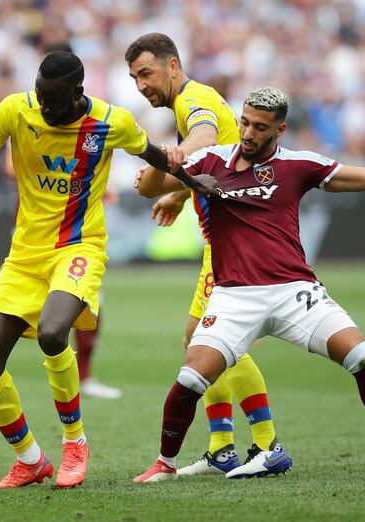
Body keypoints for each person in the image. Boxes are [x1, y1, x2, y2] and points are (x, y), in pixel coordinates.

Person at [0, 51, 217, 489]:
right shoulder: (14, 111)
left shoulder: (110, 121)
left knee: (53, 332)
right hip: (24, 255)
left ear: (77, 93)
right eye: (40, 97)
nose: (44, 107)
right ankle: (30, 460)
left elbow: (156, 156)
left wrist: (194, 185)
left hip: (79, 247)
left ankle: (74, 444)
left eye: (53, 101)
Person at [134, 86, 365, 482]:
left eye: (259, 127)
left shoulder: (299, 165)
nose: (247, 133)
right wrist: (169, 160)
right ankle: (165, 464)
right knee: (190, 378)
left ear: (279, 130)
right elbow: (147, 187)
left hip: (294, 291)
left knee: (363, 357)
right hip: (233, 295)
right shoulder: (210, 161)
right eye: (244, 122)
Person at [126, 33, 290, 477]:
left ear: (173, 66)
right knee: (198, 339)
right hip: (227, 239)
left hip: (232, 244)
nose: (141, 85)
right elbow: (221, 155)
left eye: (147, 73)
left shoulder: (192, 100)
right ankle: (222, 448)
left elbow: (202, 136)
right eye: (134, 78)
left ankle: (266, 443)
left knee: (214, 342)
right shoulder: (199, 98)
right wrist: (179, 192)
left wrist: (169, 162)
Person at [0, 42, 122, 403]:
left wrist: (88, 186)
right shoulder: (22, 115)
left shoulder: (93, 121)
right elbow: (12, 168)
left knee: (78, 304)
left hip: (73, 234)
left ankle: (84, 377)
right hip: (34, 230)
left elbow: (83, 165)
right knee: (20, 309)